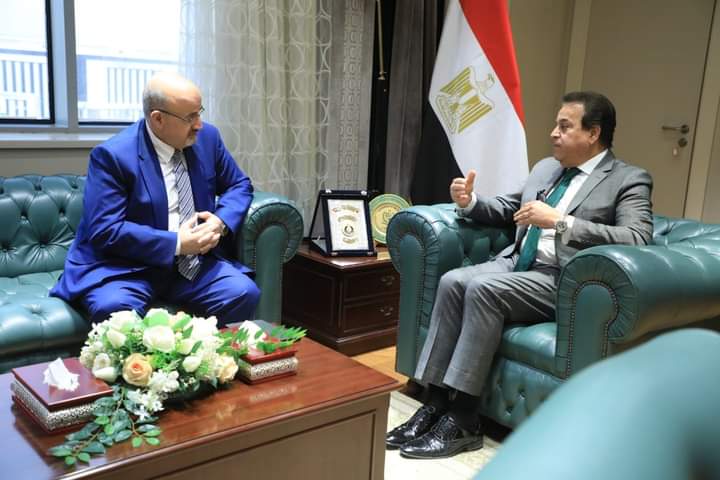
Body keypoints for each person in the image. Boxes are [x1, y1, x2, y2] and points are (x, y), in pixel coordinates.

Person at [386, 91, 653, 459]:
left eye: (565, 127)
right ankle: (434, 402)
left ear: (593, 133)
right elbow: (512, 208)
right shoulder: (547, 168)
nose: (554, 133)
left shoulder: (627, 179)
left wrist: (561, 222)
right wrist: (470, 202)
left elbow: (637, 237)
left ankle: (463, 419)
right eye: (556, 125)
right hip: (517, 263)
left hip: (563, 279)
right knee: (453, 281)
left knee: (483, 289)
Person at [51, 72, 260, 326]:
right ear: (158, 119)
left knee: (242, 292)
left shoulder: (208, 139)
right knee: (116, 312)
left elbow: (239, 185)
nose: (199, 125)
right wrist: (177, 243)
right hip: (127, 268)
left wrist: (220, 221)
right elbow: (105, 230)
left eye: (199, 113)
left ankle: (209, 353)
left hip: (193, 265)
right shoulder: (113, 156)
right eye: (190, 117)